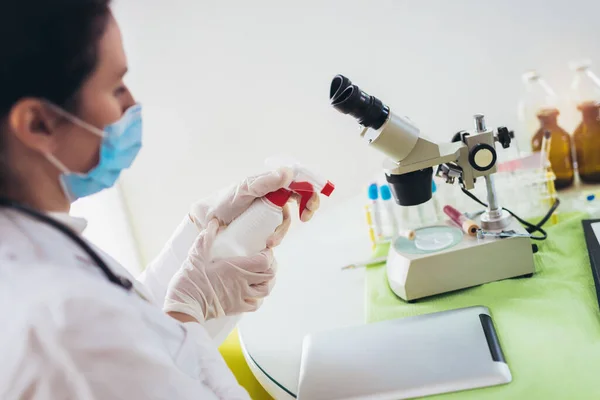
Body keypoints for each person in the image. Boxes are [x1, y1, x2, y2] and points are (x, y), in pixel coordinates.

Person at [0, 1, 320, 399]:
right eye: (115, 86)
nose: (131, 104)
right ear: (38, 123)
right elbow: (130, 352)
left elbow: (135, 329)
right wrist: (189, 309)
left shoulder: (34, 239)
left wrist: (204, 231)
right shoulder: (60, 324)